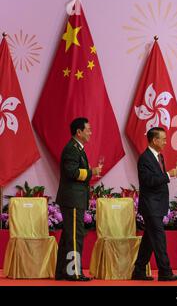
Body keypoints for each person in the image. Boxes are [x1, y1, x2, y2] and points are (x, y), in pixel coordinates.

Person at [132, 127, 177, 281]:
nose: (166, 142)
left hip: (157, 204)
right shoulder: (145, 158)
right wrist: (168, 174)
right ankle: (165, 272)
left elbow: (157, 180)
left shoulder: (159, 157)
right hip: (150, 205)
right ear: (154, 140)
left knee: (149, 239)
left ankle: (139, 271)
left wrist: (167, 175)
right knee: (159, 238)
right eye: (164, 139)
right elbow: (149, 181)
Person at [55, 117, 102, 281]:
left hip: (75, 198)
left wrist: (89, 172)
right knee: (75, 235)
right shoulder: (72, 149)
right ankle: (73, 272)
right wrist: (92, 172)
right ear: (79, 132)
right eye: (88, 129)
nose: (90, 132)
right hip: (72, 198)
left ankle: (62, 271)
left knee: (69, 235)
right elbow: (72, 172)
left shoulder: (78, 149)